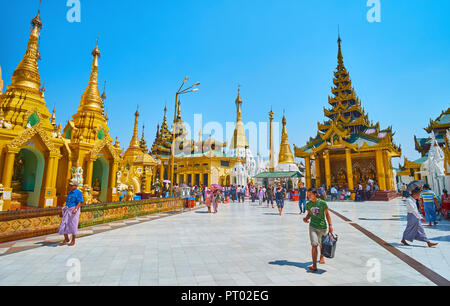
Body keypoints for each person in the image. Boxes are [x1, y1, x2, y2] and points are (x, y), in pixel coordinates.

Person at [303, 188, 333, 272]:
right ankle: (314, 265)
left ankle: (321, 256)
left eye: (310, 194)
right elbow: (309, 214)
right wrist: (305, 218)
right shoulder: (308, 204)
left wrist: (330, 225)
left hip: (322, 226)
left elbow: (327, 214)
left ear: (315, 194)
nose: (308, 196)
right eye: (307, 194)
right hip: (313, 226)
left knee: (321, 244)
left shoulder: (322, 203)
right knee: (314, 245)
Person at [59, 180, 84, 247]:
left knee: (73, 225)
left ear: (75, 186)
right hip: (68, 209)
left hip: (74, 210)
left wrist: (76, 209)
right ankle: (66, 238)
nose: (69, 186)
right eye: (69, 185)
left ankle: (73, 240)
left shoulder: (79, 192)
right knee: (64, 224)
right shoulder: (69, 192)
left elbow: (80, 202)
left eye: (71, 185)